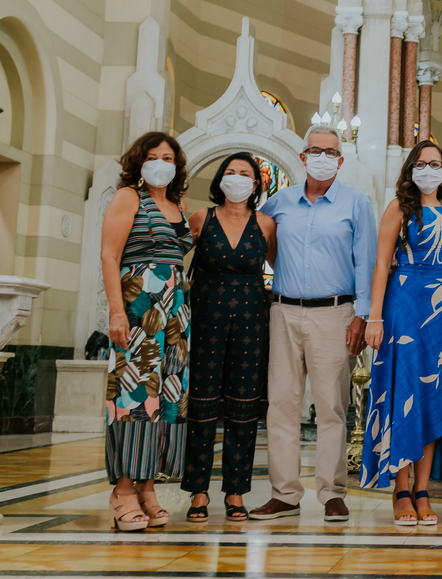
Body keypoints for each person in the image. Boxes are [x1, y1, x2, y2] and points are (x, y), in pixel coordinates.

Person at [248, 125, 376, 523]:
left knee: (331, 407)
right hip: (284, 310)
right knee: (282, 405)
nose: (323, 156)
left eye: (331, 152)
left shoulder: (356, 203)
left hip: (335, 313)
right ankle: (285, 494)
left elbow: (365, 262)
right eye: (315, 150)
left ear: (340, 160)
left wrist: (363, 314)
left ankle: (332, 492)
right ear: (303, 157)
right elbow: (266, 246)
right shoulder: (279, 203)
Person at [361, 140, 442, 526]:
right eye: (422, 163)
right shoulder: (399, 208)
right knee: (405, 392)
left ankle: (423, 489)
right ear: (410, 169)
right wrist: (375, 317)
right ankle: (400, 488)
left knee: (435, 394)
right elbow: (381, 264)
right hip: (404, 304)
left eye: (436, 163)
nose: (429, 169)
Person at [100, 132, 194, 531]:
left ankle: (148, 485)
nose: (161, 162)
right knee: (135, 394)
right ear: (139, 161)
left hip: (175, 309)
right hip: (139, 305)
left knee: (168, 398)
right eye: (153, 156)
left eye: (168, 157)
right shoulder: (128, 197)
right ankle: (123, 490)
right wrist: (117, 312)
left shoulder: (178, 204)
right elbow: (109, 254)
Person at [181, 153, 277, 523]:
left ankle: (236, 490)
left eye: (245, 174)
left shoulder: (265, 224)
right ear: (220, 179)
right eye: (231, 172)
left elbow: (278, 267)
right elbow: (175, 260)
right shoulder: (201, 219)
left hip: (252, 321)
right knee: (203, 405)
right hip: (206, 317)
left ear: (255, 184)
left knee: (243, 407)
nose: (237, 178)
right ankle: (199, 489)